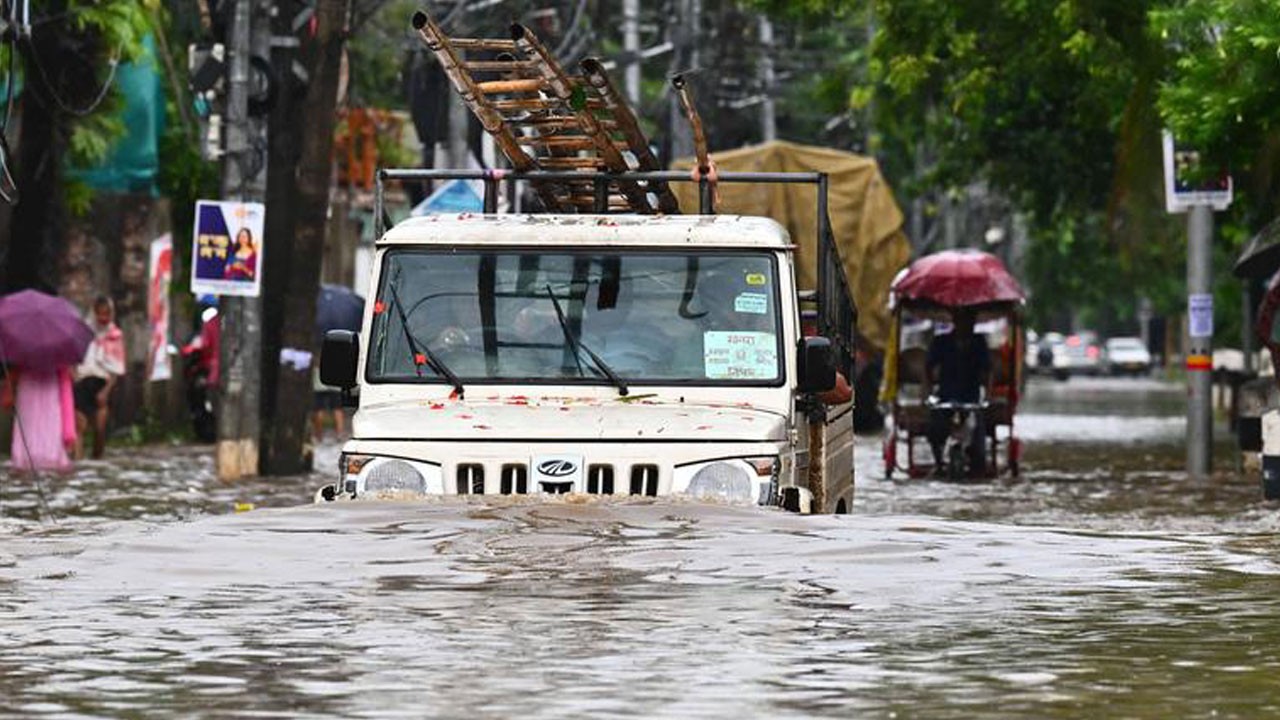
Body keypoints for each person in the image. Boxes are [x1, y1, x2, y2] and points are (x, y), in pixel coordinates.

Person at [925, 310, 990, 475]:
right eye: (962, 320)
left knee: (978, 440)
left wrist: (988, 396)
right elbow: (928, 367)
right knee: (935, 429)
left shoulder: (979, 342)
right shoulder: (941, 341)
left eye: (969, 321)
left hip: (971, 399)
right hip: (945, 398)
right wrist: (927, 393)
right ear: (954, 321)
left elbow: (988, 370)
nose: (966, 325)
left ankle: (976, 464)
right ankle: (939, 463)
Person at [74, 296, 126, 459]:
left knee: (99, 428)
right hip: (83, 380)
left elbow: (117, 368)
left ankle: (97, 458)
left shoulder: (115, 336)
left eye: (107, 314)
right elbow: (76, 357)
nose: (103, 318)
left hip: (103, 383)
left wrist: (106, 391)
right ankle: (78, 460)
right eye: (100, 314)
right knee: (79, 425)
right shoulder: (84, 333)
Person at [5, 364, 77, 473]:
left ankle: (25, 460)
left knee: (30, 424)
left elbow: (15, 369)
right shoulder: (59, 356)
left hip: (30, 384)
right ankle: (49, 458)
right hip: (48, 385)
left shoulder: (23, 354)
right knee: (49, 423)